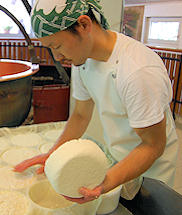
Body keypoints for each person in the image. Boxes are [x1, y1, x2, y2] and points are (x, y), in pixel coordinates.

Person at [14, 0, 179, 204]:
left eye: (57, 46)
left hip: (153, 172)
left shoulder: (138, 72)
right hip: (118, 158)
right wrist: (53, 155)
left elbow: (152, 146)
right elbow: (81, 114)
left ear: (84, 25)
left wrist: (106, 182)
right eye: (50, 49)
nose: (56, 57)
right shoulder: (83, 59)